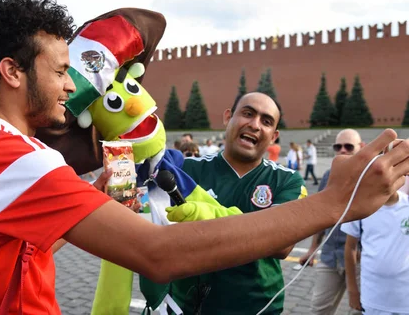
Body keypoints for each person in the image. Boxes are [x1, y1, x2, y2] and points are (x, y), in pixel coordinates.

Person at [0, 0, 408, 314]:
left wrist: (92, 203)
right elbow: (157, 254)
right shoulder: (18, 161)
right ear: (12, 72)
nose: (67, 90)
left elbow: (10, 253)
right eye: (58, 72)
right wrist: (334, 200)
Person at [170, 92, 306, 314]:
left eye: (266, 121)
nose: (254, 125)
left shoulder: (287, 180)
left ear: (274, 136)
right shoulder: (187, 170)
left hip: (259, 307)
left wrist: (207, 216)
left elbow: (282, 243)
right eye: (248, 113)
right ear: (227, 117)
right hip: (189, 305)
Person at [299, 129, 364, 315]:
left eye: (348, 146)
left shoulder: (371, 178)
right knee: (319, 308)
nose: (342, 150)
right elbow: (320, 216)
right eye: (338, 146)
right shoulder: (328, 175)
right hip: (330, 256)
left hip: (360, 258)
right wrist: (312, 249)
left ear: (361, 148)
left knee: (360, 310)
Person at [342, 189, 409, 315]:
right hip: (373, 297)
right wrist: (352, 289)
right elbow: (350, 247)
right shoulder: (361, 207)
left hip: (404, 300)